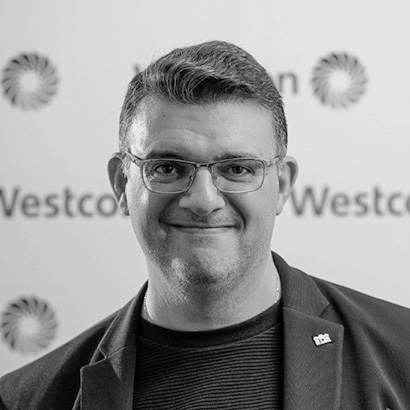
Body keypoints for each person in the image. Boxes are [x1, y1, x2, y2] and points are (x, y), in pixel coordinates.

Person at [1, 40, 410, 410]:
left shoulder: (401, 354)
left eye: (237, 168)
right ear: (122, 184)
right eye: (167, 167)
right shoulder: (26, 400)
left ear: (282, 185)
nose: (202, 200)